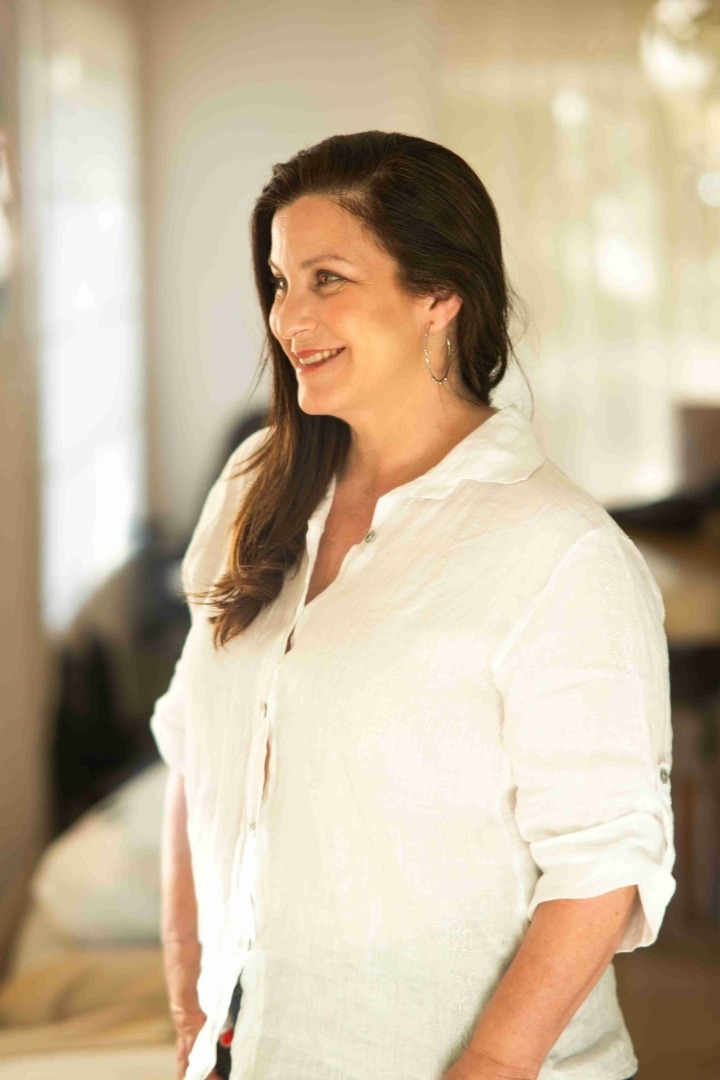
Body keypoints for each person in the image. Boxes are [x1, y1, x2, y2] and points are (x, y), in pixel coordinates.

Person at [151, 131, 675, 1080]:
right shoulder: (253, 485)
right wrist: (192, 1001)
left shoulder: (560, 550)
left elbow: (603, 865)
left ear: (440, 295)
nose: (288, 316)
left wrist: (490, 1065)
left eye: (328, 279)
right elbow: (198, 749)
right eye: (280, 281)